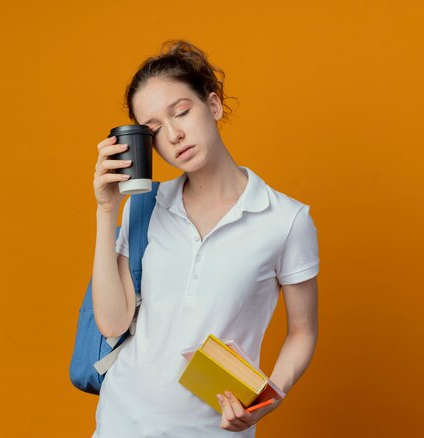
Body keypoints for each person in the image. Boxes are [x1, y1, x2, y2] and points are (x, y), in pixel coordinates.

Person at [90, 40, 320, 437]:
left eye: (182, 112)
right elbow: (112, 323)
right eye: (156, 130)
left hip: (212, 429)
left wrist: (265, 400)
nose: (175, 135)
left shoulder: (286, 219)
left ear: (213, 106)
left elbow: (303, 331)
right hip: (122, 422)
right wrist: (105, 210)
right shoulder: (146, 206)